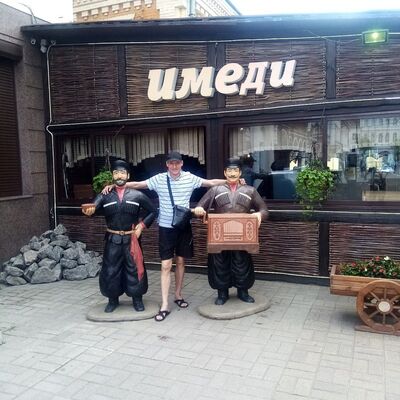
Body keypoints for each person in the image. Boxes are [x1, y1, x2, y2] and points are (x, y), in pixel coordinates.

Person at [103, 151, 227, 321]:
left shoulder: (190, 178)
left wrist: (231, 181)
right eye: (171, 163)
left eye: (177, 163)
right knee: (166, 265)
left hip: (183, 226)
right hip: (165, 228)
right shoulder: (159, 179)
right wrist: (115, 185)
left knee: (181, 262)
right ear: (167, 164)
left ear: (181, 164)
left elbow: (210, 183)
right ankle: (164, 304)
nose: (174, 166)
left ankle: (178, 295)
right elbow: (139, 185)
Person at [82, 159, 157, 313]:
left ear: (128, 175)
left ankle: (137, 299)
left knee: (135, 268)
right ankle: (112, 299)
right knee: (110, 270)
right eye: (116, 173)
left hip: (132, 239)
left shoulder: (137, 195)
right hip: (112, 240)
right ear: (112, 176)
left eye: (122, 172)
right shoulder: (105, 195)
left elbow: (153, 211)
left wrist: (141, 226)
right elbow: (93, 208)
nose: (119, 176)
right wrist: (89, 212)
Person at [194, 158, 269, 305]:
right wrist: (199, 209)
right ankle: (222, 293)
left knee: (242, 263)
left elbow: (264, 210)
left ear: (240, 173)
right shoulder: (215, 190)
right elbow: (200, 207)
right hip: (219, 236)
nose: (232, 173)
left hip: (242, 236)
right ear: (225, 173)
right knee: (220, 263)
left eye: (235, 170)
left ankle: (243, 291)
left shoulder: (250, 190)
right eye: (229, 170)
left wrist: (259, 215)